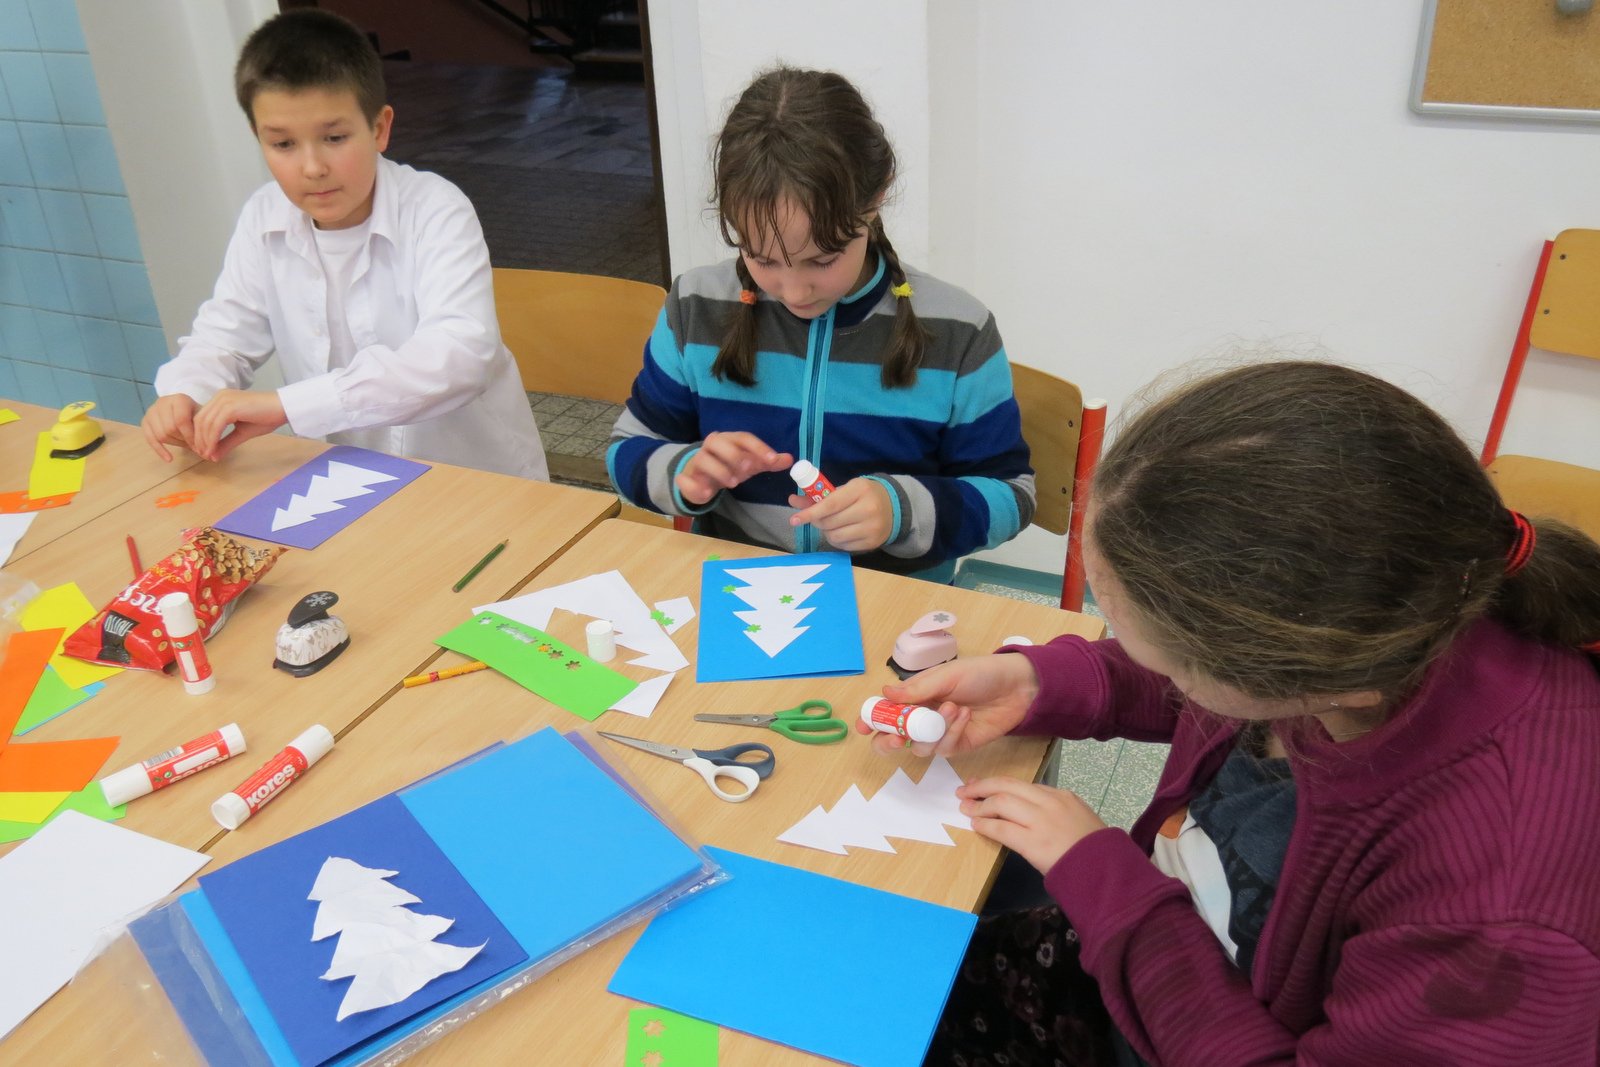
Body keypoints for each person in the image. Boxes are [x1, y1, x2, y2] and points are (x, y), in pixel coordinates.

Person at [865, 361, 1600, 1065]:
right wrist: (1036, 680)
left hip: (1182, 984)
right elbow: (1195, 682)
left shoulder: (1498, 921)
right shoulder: (1385, 618)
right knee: (894, 987)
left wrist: (1107, 880)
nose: (1149, 664)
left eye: (1165, 657)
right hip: (1154, 952)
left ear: (1278, 664)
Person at [608, 67, 1033, 582]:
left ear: (875, 200)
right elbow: (627, 450)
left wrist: (899, 511)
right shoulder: (696, 307)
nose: (793, 292)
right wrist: (683, 472)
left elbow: (1011, 494)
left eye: (822, 259)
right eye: (762, 258)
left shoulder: (957, 329)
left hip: (897, 596)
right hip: (741, 584)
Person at [140, 10, 546, 480]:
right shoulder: (263, 216)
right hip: (342, 479)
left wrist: (288, 406)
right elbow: (224, 337)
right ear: (258, 138)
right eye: (283, 144)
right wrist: (186, 391)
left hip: (475, 477)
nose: (312, 167)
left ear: (379, 128)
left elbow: (459, 355)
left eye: (334, 138)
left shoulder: (436, 208)